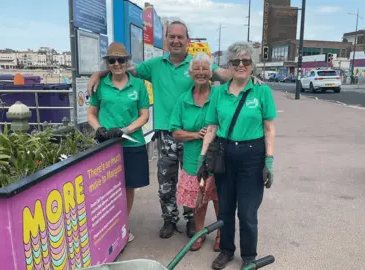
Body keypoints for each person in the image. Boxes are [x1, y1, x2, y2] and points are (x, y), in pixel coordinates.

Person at [86, 21, 262, 239]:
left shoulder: (198, 64)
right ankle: (169, 219)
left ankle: (191, 221)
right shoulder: (154, 65)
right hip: (166, 134)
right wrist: (98, 74)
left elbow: (225, 74)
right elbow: (121, 68)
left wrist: (248, 78)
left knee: (192, 179)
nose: (176, 41)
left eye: (181, 37)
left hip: (195, 135)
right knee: (166, 181)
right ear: (167, 40)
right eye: (172, 37)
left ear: (188, 40)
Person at [198, 41, 277, 270]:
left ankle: (249, 257)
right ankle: (226, 251)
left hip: (252, 157)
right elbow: (212, 128)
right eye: (236, 61)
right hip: (225, 156)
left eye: (246, 61)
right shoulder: (219, 93)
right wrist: (203, 158)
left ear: (252, 65)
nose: (241, 65)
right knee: (225, 208)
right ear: (229, 65)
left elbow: (269, 128)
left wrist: (269, 161)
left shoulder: (261, 91)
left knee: (247, 211)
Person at [87, 42, 150, 243]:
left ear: (126, 61)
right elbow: (91, 114)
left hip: (132, 143)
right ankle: (106, 226)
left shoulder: (138, 85)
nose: (117, 63)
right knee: (105, 186)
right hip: (106, 146)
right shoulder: (100, 85)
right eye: (112, 60)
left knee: (128, 187)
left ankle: (123, 223)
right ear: (107, 63)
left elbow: (144, 116)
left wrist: (125, 130)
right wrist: (99, 129)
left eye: (121, 60)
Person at [169, 52, 220, 251]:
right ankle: (199, 234)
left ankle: (221, 236)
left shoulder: (220, 95)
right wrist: (195, 135)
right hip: (193, 160)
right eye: (196, 69)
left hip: (218, 158)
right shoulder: (183, 99)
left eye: (204, 68)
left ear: (211, 72)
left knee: (219, 199)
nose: (200, 72)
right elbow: (175, 131)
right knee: (198, 200)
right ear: (190, 73)